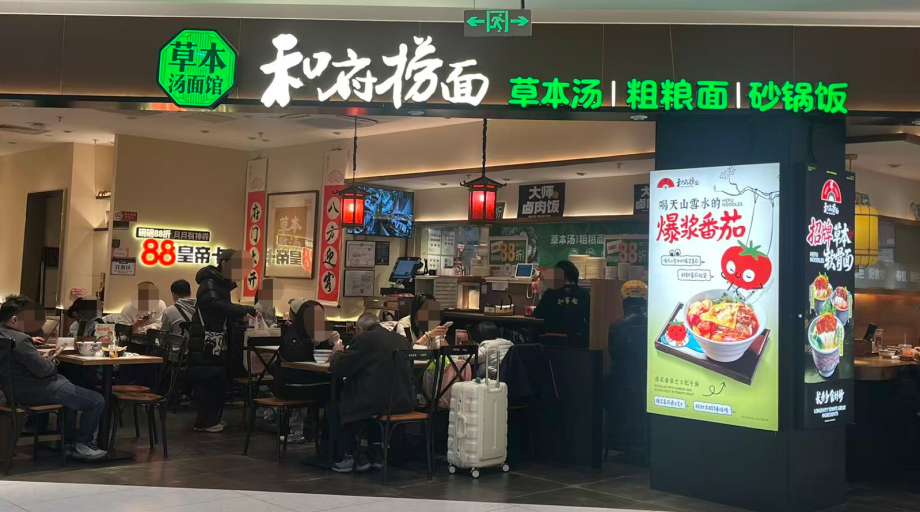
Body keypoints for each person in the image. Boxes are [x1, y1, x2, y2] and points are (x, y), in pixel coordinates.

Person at [0, 295, 107, 460]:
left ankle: (69, 442)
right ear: (14, 319)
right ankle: (83, 444)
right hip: (40, 390)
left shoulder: (5, 336)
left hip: (14, 392)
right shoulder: (21, 340)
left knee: (75, 396)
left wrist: (40, 357)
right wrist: (50, 361)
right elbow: (44, 370)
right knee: (96, 400)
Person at [329, 312, 413, 473]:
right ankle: (376, 454)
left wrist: (337, 352)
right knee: (373, 400)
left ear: (359, 330)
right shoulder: (402, 340)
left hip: (377, 403)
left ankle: (353, 455)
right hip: (403, 402)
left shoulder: (364, 339)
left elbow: (342, 368)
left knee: (334, 406)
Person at [189, 249, 258, 433]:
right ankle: (205, 421)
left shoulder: (219, 283)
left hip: (213, 338)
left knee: (216, 379)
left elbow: (222, 309)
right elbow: (215, 305)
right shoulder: (209, 282)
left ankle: (211, 419)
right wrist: (244, 310)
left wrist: (240, 315)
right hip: (208, 340)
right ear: (224, 263)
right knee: (209, 379)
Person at [265, 299, 336, 444]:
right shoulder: (291, 331)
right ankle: (324, 436)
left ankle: (330, 437)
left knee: (336, 389)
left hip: (310, 380)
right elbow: (295, 355)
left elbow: (324, 356)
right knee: (333, 391)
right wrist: (313, 341)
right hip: (289, 384)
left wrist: (332, 343)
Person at [606, 280, 648, 455]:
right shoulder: (652, 324)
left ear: (624, 301)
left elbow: (613, 354)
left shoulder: (616, 326)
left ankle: (613, 440)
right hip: (645, 381)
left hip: (620, 380)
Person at [534, 260, 591, 347]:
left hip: (551, 343)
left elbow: (538, 313)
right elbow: (590, 317)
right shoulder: (584, 294)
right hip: (577, 344)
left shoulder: (550, 293)